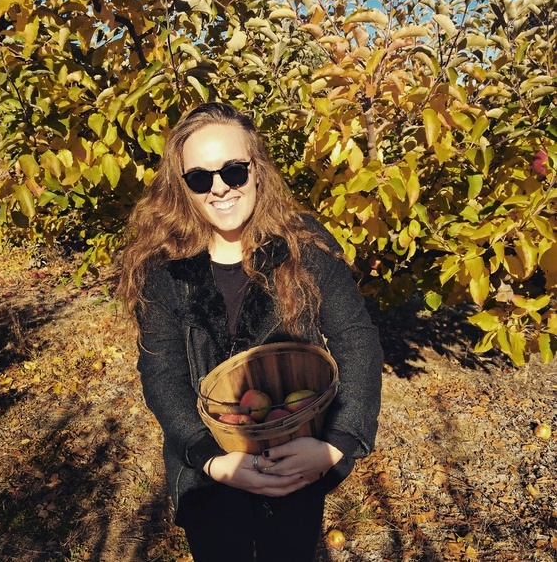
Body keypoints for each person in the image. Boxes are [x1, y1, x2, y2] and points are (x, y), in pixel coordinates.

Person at [117, 102, 383, 562]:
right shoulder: (165, 264)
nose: (219, 187)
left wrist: (334, 444)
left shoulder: (304, 245)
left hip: (295, 462)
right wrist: (210, 458)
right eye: (199, 178)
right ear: (182, 186)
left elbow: (356, 339)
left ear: (257, 169)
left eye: (233, 171)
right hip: (209, 475)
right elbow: (161, 372)